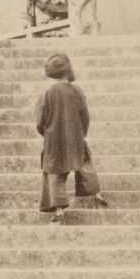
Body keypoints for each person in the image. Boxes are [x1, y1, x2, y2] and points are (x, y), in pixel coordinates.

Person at [35, 52, 105, 220]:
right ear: (68, 71)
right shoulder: (77, 91)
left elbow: (40, 120)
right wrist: (81, 133)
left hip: (53, 140)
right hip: (75, 136)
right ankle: (96, 194)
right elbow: (85, 116)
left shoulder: (47, 94)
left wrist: (47, 133)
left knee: (55, 173)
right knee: (84, 163)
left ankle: (59, 210)